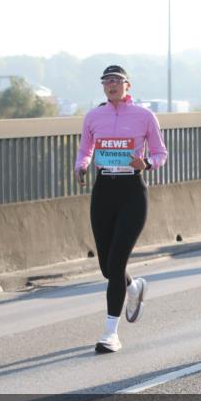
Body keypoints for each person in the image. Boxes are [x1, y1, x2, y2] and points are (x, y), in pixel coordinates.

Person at [75, 65, 168, 353]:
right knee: (107, 266)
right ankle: (133, 288)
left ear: (128, 85)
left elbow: (160, 153)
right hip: (103, 190)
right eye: (106, 81)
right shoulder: (93, 116)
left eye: (116, 81)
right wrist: (81, 165)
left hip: (131, 192)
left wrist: (148, 164)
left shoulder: (144, 116)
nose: (111, 85)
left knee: (116, 264)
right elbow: (85, 149)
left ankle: (110, 333)